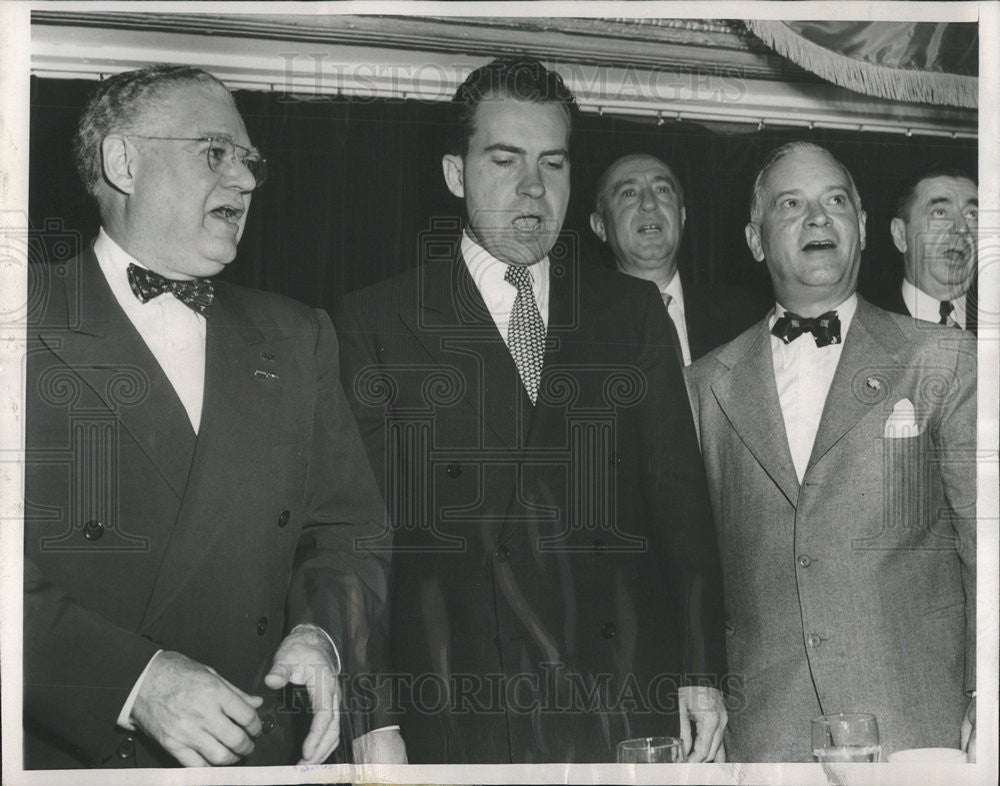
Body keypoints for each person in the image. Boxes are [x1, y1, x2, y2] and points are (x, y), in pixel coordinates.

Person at [333, 57, 727, 764]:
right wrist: (372, 715)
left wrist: (702, 674)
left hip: (621, 702)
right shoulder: (376, 322)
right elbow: (358, 543)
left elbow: (682, 513)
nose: (533, 189)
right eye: (505, 160)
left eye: (553, 163)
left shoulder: (630, 313)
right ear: (457, 174)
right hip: (460, 708)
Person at [24, 64, 402, 769]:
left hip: (254, 751)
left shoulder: (296, 336)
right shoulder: (21, 322)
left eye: (250, 160)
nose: (248, 179)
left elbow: (350, 533)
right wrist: (132, 682)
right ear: (124, 162)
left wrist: (322, 632)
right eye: (215, 154)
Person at [685, 142, 976, 761]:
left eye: (835, 201)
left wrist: (990, 688)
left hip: (917, 726)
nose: (818, 218)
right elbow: (691, 570)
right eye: (792, 204)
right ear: (756, 240)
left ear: (864, 229)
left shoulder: (945, 359)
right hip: (768, 736)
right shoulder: (703, 384)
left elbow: (989, 545)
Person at [589, 153, 763, 365]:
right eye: (629, 193)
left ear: (682, 217)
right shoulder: (583, 327)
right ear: (600, 226)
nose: (649, 204)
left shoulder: (745, 318)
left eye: (662, 189)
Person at [874, 165, 978, 331]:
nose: (962, 228)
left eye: (972, 215)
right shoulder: (868, 328)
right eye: (940, 213)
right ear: (900, 235)